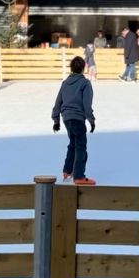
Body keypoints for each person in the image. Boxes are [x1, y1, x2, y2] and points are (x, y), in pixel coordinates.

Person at [51, 56, 96, 185]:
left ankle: (67, 170)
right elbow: (87, 105)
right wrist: (91, 121)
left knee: (73, 144)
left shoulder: (65, 83)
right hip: (77, 118)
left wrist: (56, 121)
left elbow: (58, 103)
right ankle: (79, 176)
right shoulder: (85, 83)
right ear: (83, 68)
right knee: (81, 146)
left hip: (66, 118)